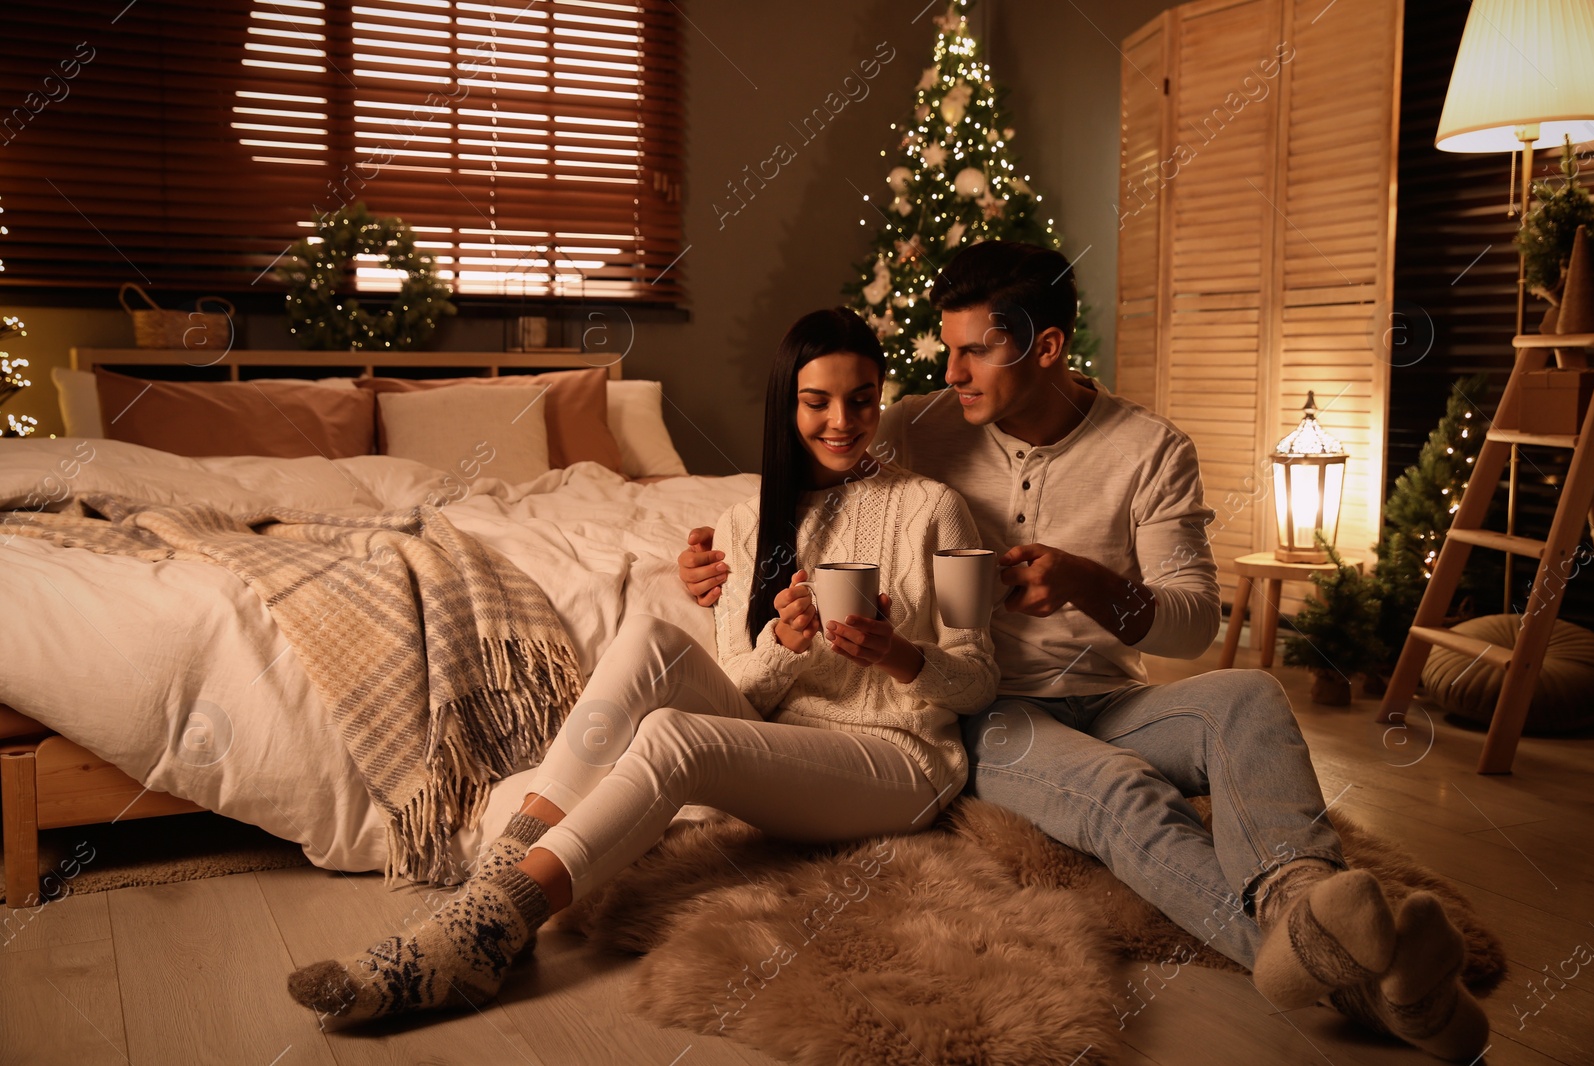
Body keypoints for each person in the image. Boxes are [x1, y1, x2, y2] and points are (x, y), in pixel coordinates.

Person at [679, 242, 1488, 1061]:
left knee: (1249, 696)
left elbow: (1193, 624)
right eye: (947, 349)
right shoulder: (918, 426)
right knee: (1118, 789)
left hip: (1115, 695)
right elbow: (807, 483)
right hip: (994, 709)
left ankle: (1301, 898)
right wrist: (716, 560)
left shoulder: (1151, 450)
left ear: (1047, 348)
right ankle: (1369, 987)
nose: (952, 373)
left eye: (975, 352)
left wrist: (1089, 584)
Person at [287, 307, 998, 1021]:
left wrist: (901, 655)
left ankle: (487, 923)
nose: (842, 420)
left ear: (881, 396)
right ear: (787, 404)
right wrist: (784, 648)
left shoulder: (938, 510)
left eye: (863, 399)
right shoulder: (748, 521)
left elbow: (977, 679)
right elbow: (744, 687)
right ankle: (496, 897)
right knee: (646, 638)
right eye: (817, 402)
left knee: (673, 736)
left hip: (900, 762)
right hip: (792, 745)